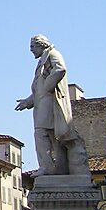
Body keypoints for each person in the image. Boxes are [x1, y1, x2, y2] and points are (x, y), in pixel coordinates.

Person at [15, 34, 88, 176]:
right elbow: (38, 90)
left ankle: (47, 168)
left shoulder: (53, 54)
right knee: (53, 137)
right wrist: (27, 102)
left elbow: (60, 69)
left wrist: (48, 86)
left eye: (32, 46)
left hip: (49, 103)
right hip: (43, 103)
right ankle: (59, 168)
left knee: (41, 134)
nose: (31, 50)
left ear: (41, 45)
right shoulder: (44, 58)